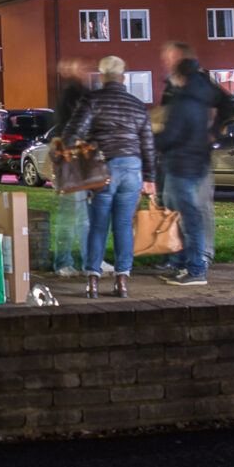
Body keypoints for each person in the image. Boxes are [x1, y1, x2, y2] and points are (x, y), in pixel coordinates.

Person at [63, 55, 156, 299]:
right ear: (123, 78)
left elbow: (73, 132)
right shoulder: (137, 105)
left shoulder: (92, 101)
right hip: (132, 169)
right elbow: (147, 144)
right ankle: (122, 280)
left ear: (102, 77)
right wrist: (150, 177)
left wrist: (72, 153)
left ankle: (93, 280)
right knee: (124, 225)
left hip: (102, 169)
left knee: (98, 226)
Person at [157, 42, 234, 270]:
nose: (167, 62)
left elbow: (228, 105)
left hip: (193, 157)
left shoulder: (200, 85)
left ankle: (201, 256)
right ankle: (179, 255)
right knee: (174, 206)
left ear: (183, 59)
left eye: (171, 58)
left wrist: (213, 133)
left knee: (198, 208)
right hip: (176, 157)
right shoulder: (173, 86)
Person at [49, 57, 93, 277]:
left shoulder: (80, 93)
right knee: (71, 213)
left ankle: (88, 261)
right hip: (71, 161)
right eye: (83, 67)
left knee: (82, 214)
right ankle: (64, 262)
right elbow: (70, 128)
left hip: (76, 160)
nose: (88, 71)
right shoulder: (72, 96)